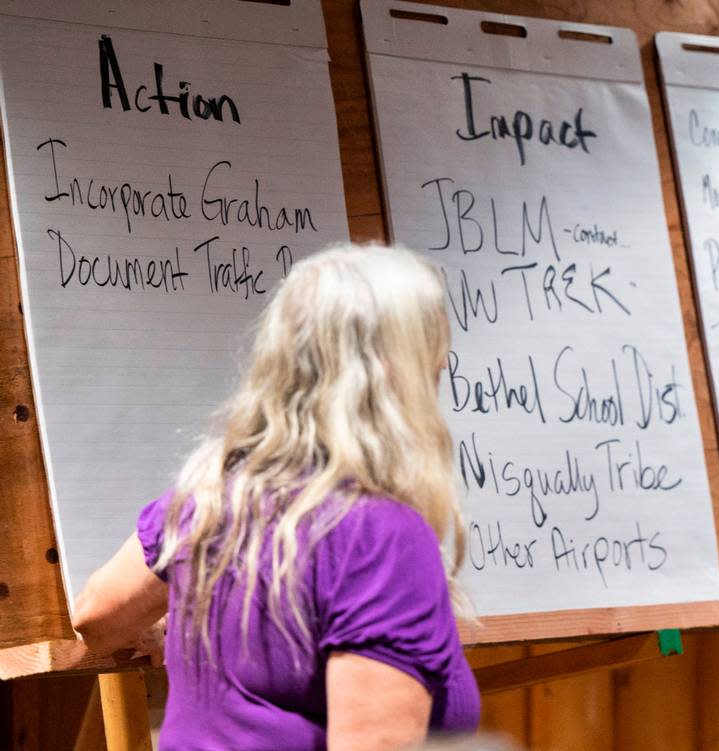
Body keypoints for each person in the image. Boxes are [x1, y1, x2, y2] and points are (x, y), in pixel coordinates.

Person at [72, 244, 480, 750]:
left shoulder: (209, 496)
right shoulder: (380, 535)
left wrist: (167, 625)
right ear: (397, 373)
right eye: (433, 357)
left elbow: (96, 617)